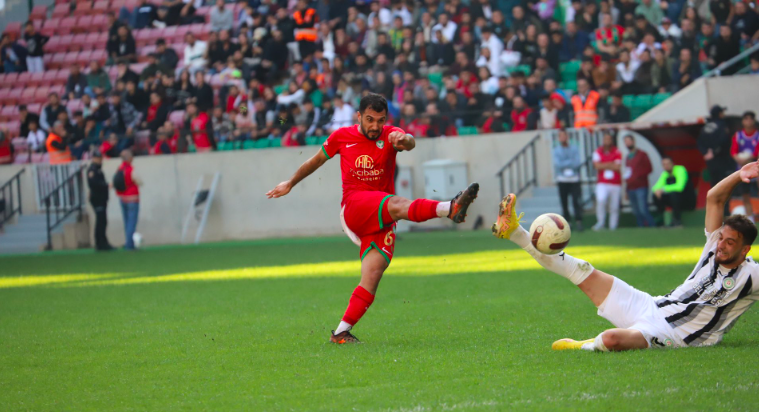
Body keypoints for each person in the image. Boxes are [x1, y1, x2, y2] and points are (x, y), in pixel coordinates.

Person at [266, 93, 479, 344]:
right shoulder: (341, 136)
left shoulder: (391, 134)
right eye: (369, 119)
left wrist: (404, 139)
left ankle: (341, 333)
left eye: (380, 120)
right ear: (358, 116)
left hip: (381, 216)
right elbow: (316, 161)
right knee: (396, 203)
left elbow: (409, 142)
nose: (375, 126)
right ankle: (450, 208)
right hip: (355, 206)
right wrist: (290, 183)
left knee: (373, 274)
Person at [491, 159, 759, 351]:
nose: (721, 245)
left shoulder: (752, 274)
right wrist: (739, 174)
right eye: (721, 238)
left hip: (673, 335)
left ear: (745, 249)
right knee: (580, 269)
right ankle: (514, 232)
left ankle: (583, 345)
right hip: (652, 305)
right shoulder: (713, 244)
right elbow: (714, 198)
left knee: (611, 340)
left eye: (730, 242)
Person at [698, 105, 736, 218]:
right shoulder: (722, 125)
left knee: (714, 187)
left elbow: (699, 142)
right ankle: (725, 212)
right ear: (719, 114)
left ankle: (714, 213)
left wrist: (706, 153)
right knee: (725, 186)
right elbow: (724, 140)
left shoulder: (705, 127)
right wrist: (714, 152)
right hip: (722, 161)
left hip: (710, 162)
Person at [552, 128, 583, 231]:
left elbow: (577, 162)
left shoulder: (574, 148)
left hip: (574, 178)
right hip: (562, 179)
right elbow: (558, 164)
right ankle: (567, 222)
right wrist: (570, 162)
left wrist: (565, 163)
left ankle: (579, 220)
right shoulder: (556, 150)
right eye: (560, 136)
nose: (562, 138)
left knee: (576, 201)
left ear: (567, 136)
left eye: (564, 135)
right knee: (564, 202)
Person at [731, 111, 759, 222]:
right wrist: (739, 159)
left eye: (751, 118)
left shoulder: (757, 135)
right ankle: (750, 219)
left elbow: (756, 152)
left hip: (756, 169)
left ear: (754, 121)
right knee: (745, 195)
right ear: (743, 121)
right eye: (746, 118)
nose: (748, 121)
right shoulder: (738, 135)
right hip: (742, 170)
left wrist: (749, 158)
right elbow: (733, 151)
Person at [592, 133, 622, 231]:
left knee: (614, 205)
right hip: (602, 182)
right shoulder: (598, 151)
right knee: (601, 200)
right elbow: (597, 166)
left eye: (609, 139)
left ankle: (613, 225)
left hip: (615, 182)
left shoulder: (617, 151)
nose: (607, 141)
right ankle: (601, 222)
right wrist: (610, 163)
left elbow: (617, 167)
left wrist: (603, 164)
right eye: (606, 139)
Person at [624, 135, 655, 227]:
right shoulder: (627, 157)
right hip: (631, 188)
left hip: (641, 186)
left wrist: (637, 176)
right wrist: (626, 189)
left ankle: (652, 226)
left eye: (629, 141)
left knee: (643, 209)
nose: (627, 143)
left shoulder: (642, 154)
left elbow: (649, 168)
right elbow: (628, 173)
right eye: (626, 141)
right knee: (636, 211)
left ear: (633, 141)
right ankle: (641, 227)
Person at [114, 149, 141, 250]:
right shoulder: (130, 169)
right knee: (132, 222)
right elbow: (138, 180)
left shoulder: (119, 168)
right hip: (132, 198)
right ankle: (130, 244)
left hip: (123, 197)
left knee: (126, 222)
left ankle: (128, 241)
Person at [87, 151, 113, 251]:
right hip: (98, 198)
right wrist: (105, 185)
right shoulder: (92, 170)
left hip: (101, 198)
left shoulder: (98, 169)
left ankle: (103, 242)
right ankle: (100, 243)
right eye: (98, 158)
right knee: (101, 221)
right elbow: (94, 183)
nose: (100, 161)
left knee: (103, 221)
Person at [652, 156, 688, 228]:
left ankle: (677, 221)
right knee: (655, 195)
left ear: (673, 163)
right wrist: (657, 191)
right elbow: (655, 187)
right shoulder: (665, 174)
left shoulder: (680, 169)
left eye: (668, 163)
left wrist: (663, 189)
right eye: (664, 164)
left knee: (674, 194)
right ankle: (661, 219)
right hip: (674, 202)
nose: (666, 166)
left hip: (687, 200)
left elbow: (680, 187)